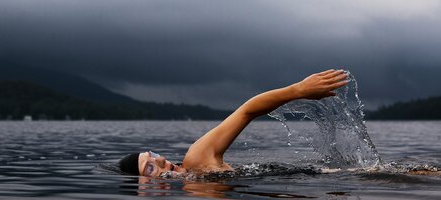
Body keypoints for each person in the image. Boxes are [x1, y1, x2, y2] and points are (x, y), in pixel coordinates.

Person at [119, 69, 349, 177]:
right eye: (149, 167)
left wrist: (298, 90)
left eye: (152, 155)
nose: (159, 159)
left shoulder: (197, 159)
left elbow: (246, 111)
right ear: (144, 188)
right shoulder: (194, 189)